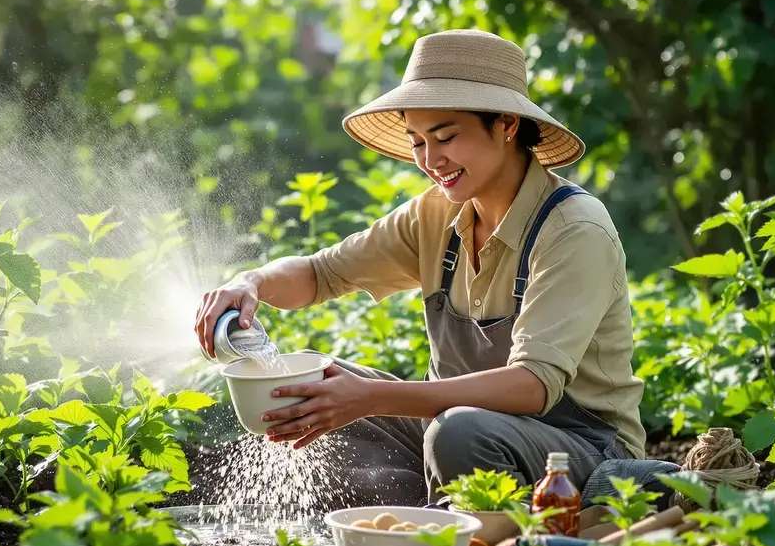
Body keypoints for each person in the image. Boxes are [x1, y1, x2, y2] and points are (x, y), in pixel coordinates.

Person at [194, 28, 646, 508]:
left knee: (457, 433)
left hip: (580, 450)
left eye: (446, 137)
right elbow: (319, 275)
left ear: (507, 124)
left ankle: (454, 522)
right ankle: (410, 508)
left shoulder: (573, 229)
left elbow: (533, 387)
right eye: (417, 142)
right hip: (457, 428)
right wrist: (250, 282)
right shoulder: (433, 216)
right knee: (315, 388)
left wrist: (372, 397)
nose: (431, 160)